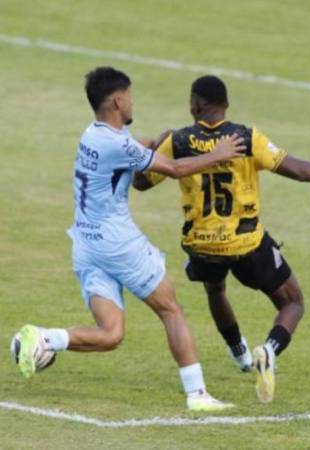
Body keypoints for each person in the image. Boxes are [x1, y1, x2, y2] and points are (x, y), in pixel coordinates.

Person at [14, 67, 247, 412]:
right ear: (119, 100)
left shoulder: (92, 135)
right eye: (131, 96)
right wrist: (218, 154)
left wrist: (157, 140)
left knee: (111, 335)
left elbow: (133, 149)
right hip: (117, 244)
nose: (133, 101)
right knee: (171, 309)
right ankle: (197, 395)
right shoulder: (118, 143)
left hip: (86, 245)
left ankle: (43, 338)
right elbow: (176, 169)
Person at [132, 75, 310, 403]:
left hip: (202, 245)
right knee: (292, 301)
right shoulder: (245, 137)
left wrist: (155, 144)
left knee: (215, 288)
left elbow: (142, 183)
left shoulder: (178, 141)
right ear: (224, 105)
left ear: (196, 105)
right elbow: (300, 171)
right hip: (247, 244)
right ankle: (268, 350)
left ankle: (238, 353)